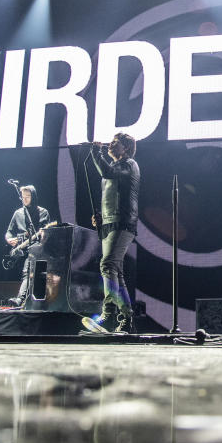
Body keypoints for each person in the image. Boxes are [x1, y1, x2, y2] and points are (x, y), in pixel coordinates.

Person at [83, 132, 140, 334]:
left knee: (107, 265)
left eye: (115, 143)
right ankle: (125, 319)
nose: (110, 145)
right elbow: (111, 194)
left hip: (123, 223)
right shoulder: (116, 167)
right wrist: (101, 216)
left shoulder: (129, 164)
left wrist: (96, 152)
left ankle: (107, 316)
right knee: (116, 271)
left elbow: (107, 172)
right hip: (110, 223)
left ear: (125, 147)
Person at [5, 185, 50, 307]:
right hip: (19, 247)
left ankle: (20, 299)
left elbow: (44, 233)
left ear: (33, 197)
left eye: (28, 197)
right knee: (26, 272)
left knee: (28, 270)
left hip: (35, 248)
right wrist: (9, 239)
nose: (25, 199)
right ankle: (23, 301)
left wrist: (42, 234)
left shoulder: (42, 212)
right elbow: (9, 231)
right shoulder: (18, 213)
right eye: (23, 197)